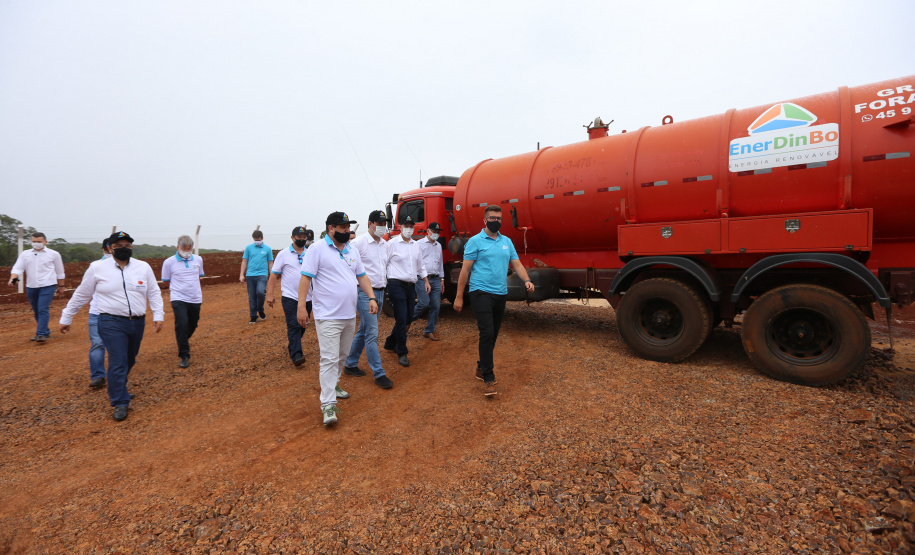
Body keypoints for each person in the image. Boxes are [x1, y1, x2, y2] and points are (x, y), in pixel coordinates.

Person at [60, 231, 164, 421]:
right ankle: (120, 401)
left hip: (137, 322)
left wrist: (158, 314)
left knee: (130, 359)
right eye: (119, 246)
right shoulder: (97, 268)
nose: (124, 249)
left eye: (128, 246)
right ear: (110, 248)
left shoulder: (143, 267)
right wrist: (67, 316)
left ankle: (118, 386)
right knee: (118, 360)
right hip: (110, 321)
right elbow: (82, 294)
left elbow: (154, 292)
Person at [297, 212, 378, 426]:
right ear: (331, 229)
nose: (347, 231)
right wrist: (301, 307)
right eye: (342, 227)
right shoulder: (317, 249)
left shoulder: (352, 250)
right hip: (327, 316)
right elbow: (305, 277)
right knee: (329, 358)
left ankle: (334, 384)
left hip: (349, 314)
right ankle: (328, 405)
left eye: (348, 227)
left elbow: (361, 275)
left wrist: (371, 297)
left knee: (342, 356)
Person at [454, 206, 534, 396]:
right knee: (487, 332)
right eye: (492, 218)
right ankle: (488, 378)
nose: (495, 221)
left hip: (500, 293)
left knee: (494, 333)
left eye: (499, 218)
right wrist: (458, 296)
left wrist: (527, 280)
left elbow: (517, 264)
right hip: (480, 292)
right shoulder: (474, 242)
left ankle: (482, 366)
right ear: (485, 220)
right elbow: (464, 271)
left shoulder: (507, 242)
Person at [344, 210, 394, 389]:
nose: (382, 226)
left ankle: (350, 363)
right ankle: (379, 373)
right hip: (365, 293)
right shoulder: (358, 243)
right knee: (372, 333)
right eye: (379, 223)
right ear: (370, 224)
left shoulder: (385, 244)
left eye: (384, 223)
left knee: (364, 329)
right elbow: (348, 266)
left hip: (380, 292)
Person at [382, 216, 429, 367]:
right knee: (401, 319)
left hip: (411, 286)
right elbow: (384, 263)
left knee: (408, 319)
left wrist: (426, 280)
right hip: (396, 285)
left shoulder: (416, 245)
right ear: (400, 227)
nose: (409, 228)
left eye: (411, 226)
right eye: (406, 226)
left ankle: (390, 342)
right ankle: (401, 351)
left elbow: (421, 265)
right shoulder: (391, 244)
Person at [266, 226, 313, 367]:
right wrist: (270, 294)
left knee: (303, 324)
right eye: (299, 237)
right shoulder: (283, 254)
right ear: (292, 238)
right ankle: (297, 354)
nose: (302, 239)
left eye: (304, 237)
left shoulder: (310, 253)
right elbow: (274, 274)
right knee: (293, 324)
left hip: (308, 297)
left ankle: (293, 345)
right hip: (290, 296)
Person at [8, 232, 65, 342]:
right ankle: (45, 331)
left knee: (43, 308)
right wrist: (13, 278)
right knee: (36, 310)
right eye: (34, 242)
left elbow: (60, 271)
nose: (36, 244)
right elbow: (18, 268)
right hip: (31, 285)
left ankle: (41, 333)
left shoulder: (54, 254)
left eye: (39, 242)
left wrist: (61, 285)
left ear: (45, 242)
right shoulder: (25, 254)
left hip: (48, 285)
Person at [161, 235, 204, 368]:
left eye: (189, 248)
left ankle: (182, 340)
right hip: (178, 297)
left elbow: (199, 275)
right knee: (182, 324)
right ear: (178, 247)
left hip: (195, 297)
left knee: (193, 323)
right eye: (184, 248)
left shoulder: (198, 259)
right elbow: (165, 279)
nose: (187, 250)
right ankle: (184, 355)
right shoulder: (169, 262)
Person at [86, 238, 113, 388]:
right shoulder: (95, 267)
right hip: (97, 311)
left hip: (117, 313)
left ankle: (117, 375)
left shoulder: (128, 266)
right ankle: (98, 376)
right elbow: (84, 290)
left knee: (116, 346)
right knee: (97, 343)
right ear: (105, 249)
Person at [412, 221, 445, 341]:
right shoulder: (418, 244)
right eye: (434, 232)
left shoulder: (438, 245)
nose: (436, 234)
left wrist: (442, 279)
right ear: (428, 231)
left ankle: (429, 330)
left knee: (436, 306)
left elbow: (440, 263)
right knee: (423, 303)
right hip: (422, 279)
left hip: (435, 279)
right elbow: (415, 262)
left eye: (437, 232)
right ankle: (406, 321)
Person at [239, 230, 273, 324]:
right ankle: (253, 316)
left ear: (262, 238)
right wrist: (241, 274)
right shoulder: (249, 248)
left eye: (258, 239)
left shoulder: (267, 249)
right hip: (250, 275)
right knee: (252, 296)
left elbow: (270, 263)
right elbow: (244, 261)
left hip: (262, 274)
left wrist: (272, 275)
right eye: (255, 239)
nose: (257, 241)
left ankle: (260, 309)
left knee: (261, 292)